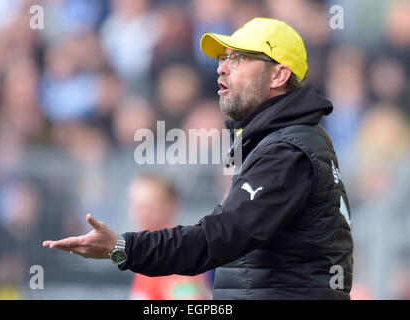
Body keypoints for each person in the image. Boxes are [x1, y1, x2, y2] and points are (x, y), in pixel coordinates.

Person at [43, 17, 354, 300]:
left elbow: (217, 238)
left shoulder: (287, 152)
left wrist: (122, 247)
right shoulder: (285, 142)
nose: (221, 67)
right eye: (223, 58)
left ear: (278, 75)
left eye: (238, 58)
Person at [127, 173, 211, 300]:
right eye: (136, 206)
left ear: (171, 206)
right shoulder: (148, 254)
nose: (140, 214)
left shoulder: (178, 258)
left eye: (148, 207)